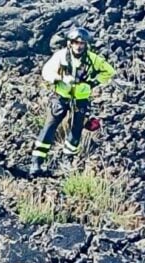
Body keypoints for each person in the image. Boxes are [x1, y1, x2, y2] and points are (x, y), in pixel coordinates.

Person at [28, 27, 116, 176]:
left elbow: (109, 71)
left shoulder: (92, 59)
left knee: (76, 131)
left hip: (81, 99)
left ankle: (67, 160)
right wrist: (60, 78)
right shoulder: (61, 56)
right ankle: (36, 163)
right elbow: (46, 71)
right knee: (49, 128)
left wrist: (92, 82)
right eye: (76, 42)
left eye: (82, 43)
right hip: (61, 96)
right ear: (70, 43)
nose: (79, 46)